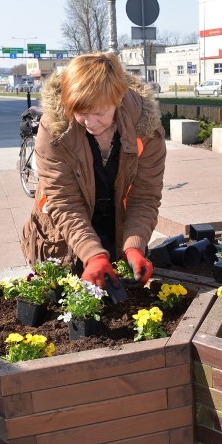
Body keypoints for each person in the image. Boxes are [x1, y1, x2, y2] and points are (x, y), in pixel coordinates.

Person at [21, 52, 166, 290]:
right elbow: (64, 202)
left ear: (118, 99)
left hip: (118, 229)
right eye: (81, 113)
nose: (90, 123)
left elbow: (145, 197)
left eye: (99, 113)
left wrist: (134, 246)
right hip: (66, 235)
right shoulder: (54, 129)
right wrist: (93, 254)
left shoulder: (146, 130)